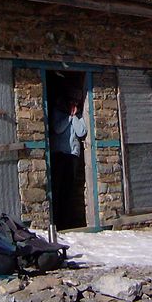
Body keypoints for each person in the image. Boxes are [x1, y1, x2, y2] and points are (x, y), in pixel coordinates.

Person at [50, 96, 87, 227]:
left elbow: (81, 131)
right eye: (71, 103)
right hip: (60, 154)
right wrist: (69, 117)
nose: (73, 106)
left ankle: (67, 221)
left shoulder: (79, 116)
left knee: (69, 188)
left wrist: (74, 117)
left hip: (72, 155)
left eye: (75, 103)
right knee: (58, 187)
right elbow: (58, 128)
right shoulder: (57, 112)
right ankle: (57, 220)